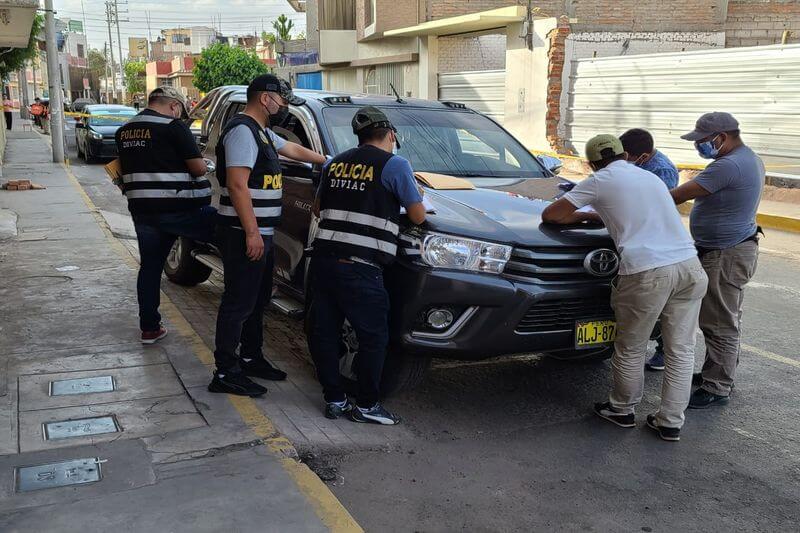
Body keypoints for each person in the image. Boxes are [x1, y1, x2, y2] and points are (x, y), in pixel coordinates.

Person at [542, 134, 708, 442]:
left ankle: (621, 409)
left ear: (591, 163)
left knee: (631, 346)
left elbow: (552, 215)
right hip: (689, 267)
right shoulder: (650, 178)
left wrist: (586, 217)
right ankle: (670, 421)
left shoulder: (600, 180)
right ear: (625, 155)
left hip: (647, 271)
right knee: (681, 349)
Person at [209, 74, 326, 397]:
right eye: (282, 100)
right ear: (265, 99)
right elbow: (236, 185)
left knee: (258, 299)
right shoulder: (242, 132)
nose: (284, 106)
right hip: (243, 232)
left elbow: (290, 148)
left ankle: (250, 357)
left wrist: (330, 161)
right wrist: (252, 233)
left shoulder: (260, 132)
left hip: (262, 231)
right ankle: (225, 372)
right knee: (238, 302)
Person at [310, 106, 426, 425]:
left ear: (358, 137)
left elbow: (319, 208)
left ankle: (334, 399)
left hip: (323, 262)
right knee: (374, 337)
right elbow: (417, 216)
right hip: (361, 268)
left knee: (325, 333)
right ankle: (366, 405)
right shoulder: (395, 164)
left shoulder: (335, 163)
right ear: (390, 135)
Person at [672, 112, 765, 409]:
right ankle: (719, 372)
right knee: (725, 315)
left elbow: (676, 196)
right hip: (733, 248)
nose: (698, 146)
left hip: (725, 252)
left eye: (701, 141)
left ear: (721, 138)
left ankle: (717, 385)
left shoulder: (728, 166)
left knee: (718, 321)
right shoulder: (748, 157)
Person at [115, 86, 215, 344]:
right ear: (174, 106)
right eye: (179, 110)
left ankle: (149, 328)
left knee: (150, 267)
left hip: (143, 212)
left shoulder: (124, 131)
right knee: (231, 232)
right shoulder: (173, 127)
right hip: (180, 210)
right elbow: (197, 168)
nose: (179, 115)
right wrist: (205, 164)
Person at [619, 128, 680, 372]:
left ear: (642, 156)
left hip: (657, 243)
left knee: (663, 304)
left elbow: (654, 208)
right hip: (639, 237)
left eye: (628, 156)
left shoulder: (661, 171)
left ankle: (664, 351)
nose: (625, 161)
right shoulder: (636, 164)